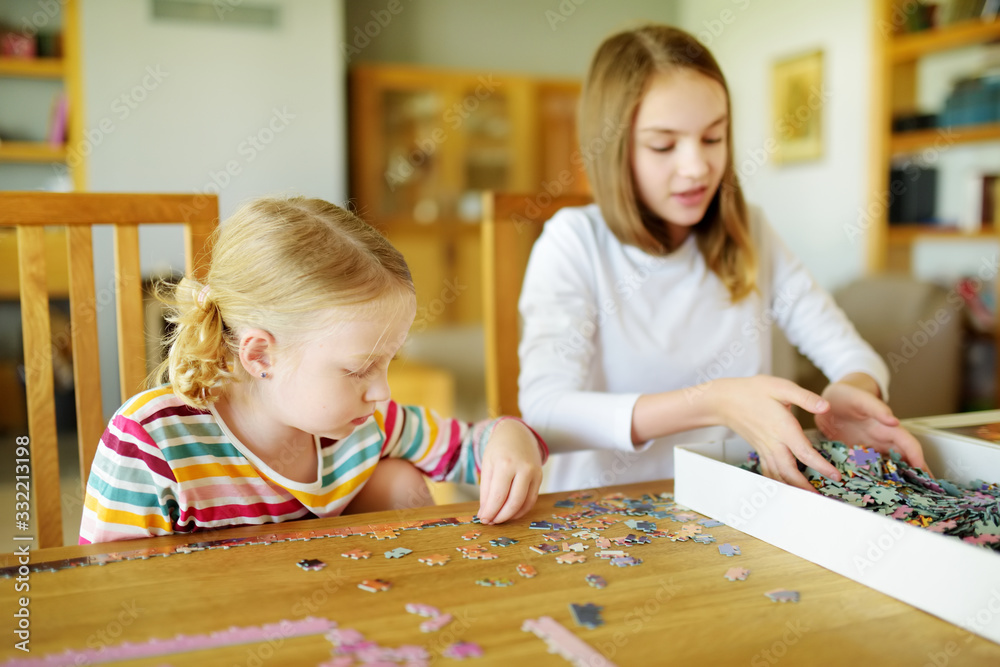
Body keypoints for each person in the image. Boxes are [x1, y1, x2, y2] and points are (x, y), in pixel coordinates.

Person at [518, 24, 928, 494]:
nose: (696, 167)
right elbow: (545, 415)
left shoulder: (750, 230)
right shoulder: (573, 241)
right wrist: (712, 402)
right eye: (663, 145)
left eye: (713, 138)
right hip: (602, 507)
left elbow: (852, 356)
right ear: (614, 150)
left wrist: (850, 393)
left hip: (735, 502)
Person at [80, 196, 545, 544]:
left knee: (397, 481)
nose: (382, 392)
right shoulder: (151, 444)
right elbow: (113, 595)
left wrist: (512, 438)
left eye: (389, 363)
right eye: (360, 369)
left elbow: (470, 445)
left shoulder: (367, 426)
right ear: (260, 355)